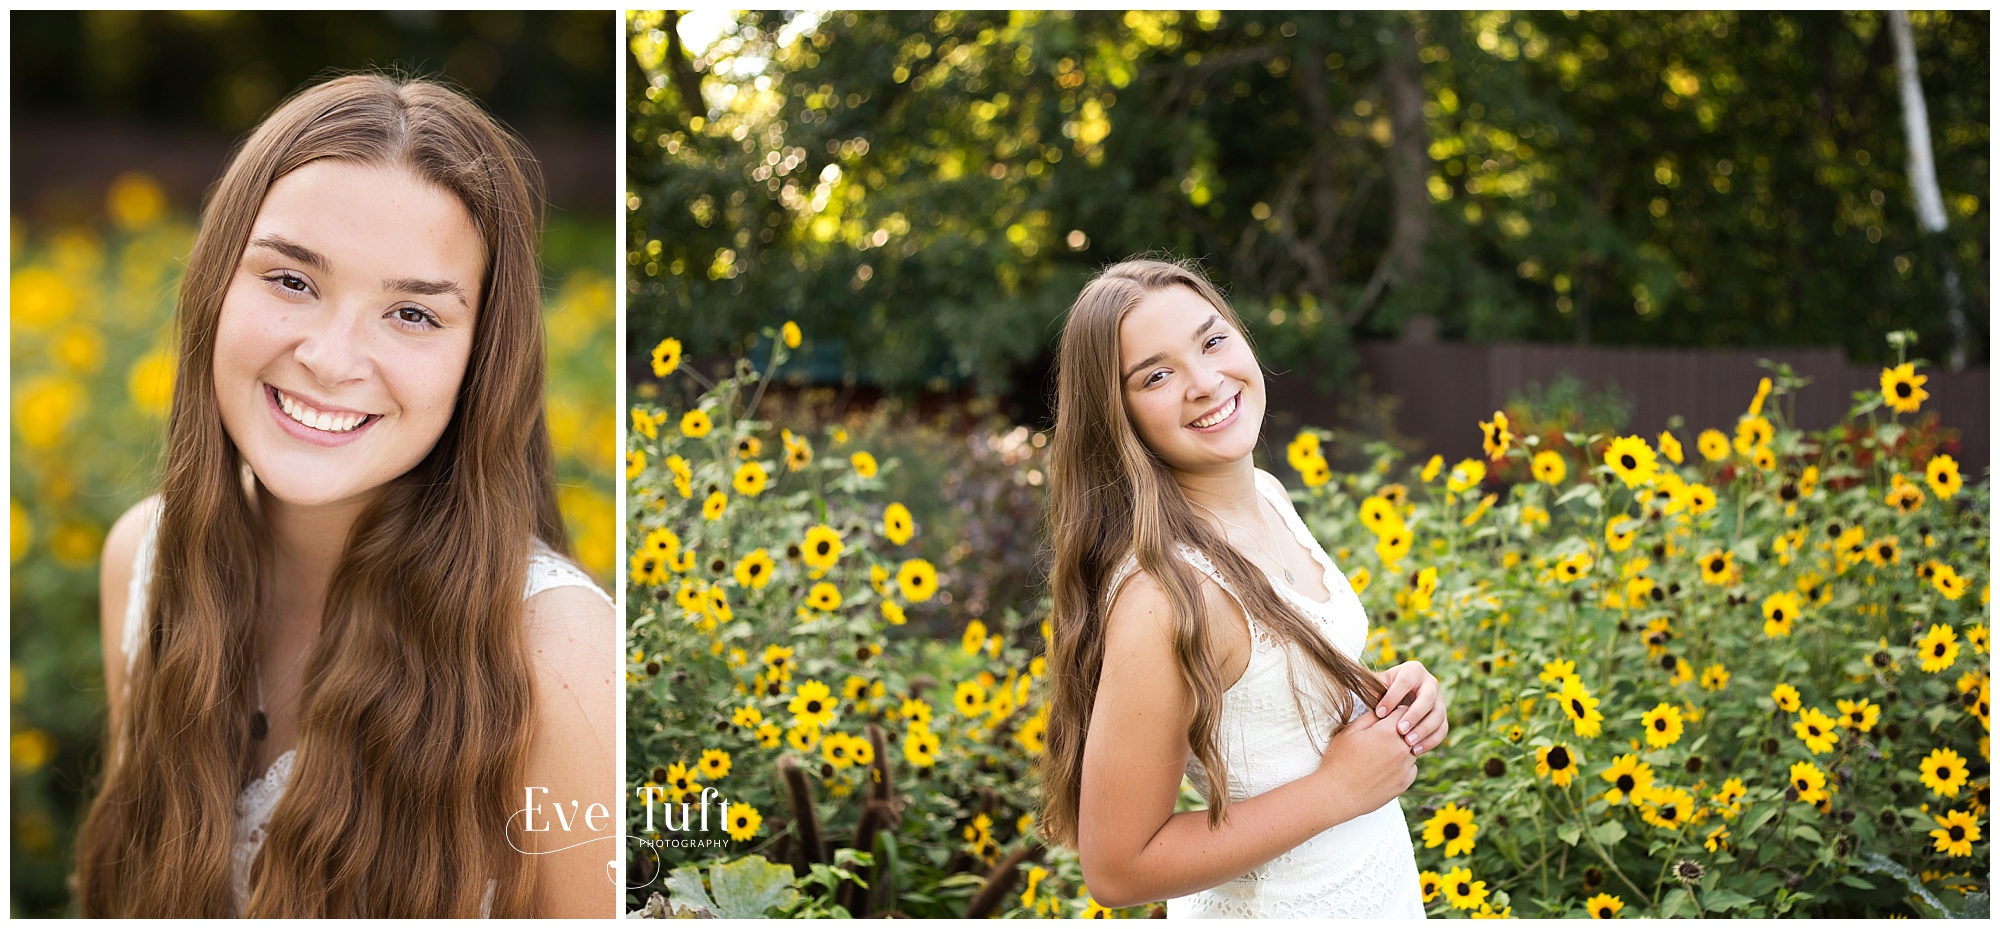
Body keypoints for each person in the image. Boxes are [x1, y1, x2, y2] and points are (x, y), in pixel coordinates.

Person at [73, 75, 616, 918]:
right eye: (291, 280)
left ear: (483, 360)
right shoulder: (141, 559)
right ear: (216, 285)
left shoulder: (562, 658)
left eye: (411, 313)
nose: (331, 358)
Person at [1039, 258, 1446, 918]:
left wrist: (1395, 697)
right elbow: (1117, 867)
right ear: (1118, 415)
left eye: (1212, 339)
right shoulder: (1166, 595)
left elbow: (1274, 701)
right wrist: (1338, 789)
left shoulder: (1266, 494)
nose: (1205, 381)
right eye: (1157, 374)